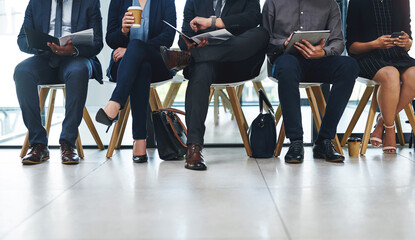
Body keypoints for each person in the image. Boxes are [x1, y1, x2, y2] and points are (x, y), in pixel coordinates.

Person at [160, 0, 269, 171]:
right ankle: (194, 148)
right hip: (208, 65)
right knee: (201, 70)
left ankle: (193, 56)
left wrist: (214, 22)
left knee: (261, 33)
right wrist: (191, 43)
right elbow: (184, 39)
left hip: (237, 64)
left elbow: (253, 18)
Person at [262, 0, 359, 164]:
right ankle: (295, 142)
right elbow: (263, 39)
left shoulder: (330, 4)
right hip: (286, 59)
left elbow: (338, 41)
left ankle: (324, 141)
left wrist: (323, 52)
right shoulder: (273, 2)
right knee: (287, 66)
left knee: (349, 66)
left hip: (318, 61)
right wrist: (284, 43)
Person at [14, 0, 103, 165]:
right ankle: (38, 144)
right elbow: (22, 40)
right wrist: (43, 45)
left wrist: (73, 50)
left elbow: (97, 43)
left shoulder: (89, 3)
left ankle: (68, 143)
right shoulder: (36, 3)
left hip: (76, 58)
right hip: (45, 58)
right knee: (22, 72)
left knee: (78, 71)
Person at [95, 0, 176, 163]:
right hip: (125, 66)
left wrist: (133, 50)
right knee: (142, 69)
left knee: (138, 50)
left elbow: (168, 37)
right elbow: (110, 39)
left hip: (157, 63)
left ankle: (115, 103)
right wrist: (123, 30)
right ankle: (140, 141)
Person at [346, 0, 415, 153]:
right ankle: (389, 131)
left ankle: (382, 121)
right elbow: (351, 47)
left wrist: (406, 42)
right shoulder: (357, 2)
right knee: (391, 74)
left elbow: (409, 41)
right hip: (367, 56)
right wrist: (375, 44)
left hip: (396, 55)